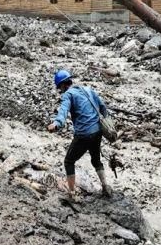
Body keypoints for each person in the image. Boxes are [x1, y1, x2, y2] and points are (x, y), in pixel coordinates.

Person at [47, 69, 112, 197]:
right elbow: (103, 107)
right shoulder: (87, 89)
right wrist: (109, 124)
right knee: (96, 160)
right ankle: (105, 186)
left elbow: (63, 112)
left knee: (69, 162)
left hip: (84, 134)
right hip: (98, 131)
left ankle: (72, 194)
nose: (60, 90)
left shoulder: (68, 94)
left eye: (59, 87)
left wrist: (56, 124)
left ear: (62, 85)